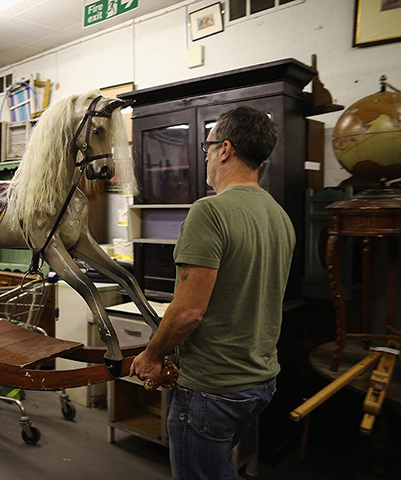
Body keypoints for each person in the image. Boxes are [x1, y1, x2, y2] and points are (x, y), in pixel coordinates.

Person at [130, 106, 295, 479]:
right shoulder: (278, 215)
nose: (204, 156)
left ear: (225, 149)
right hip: (260, 381)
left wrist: (152, 354)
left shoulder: (210, 212)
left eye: (207, 147)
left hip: (213, 388)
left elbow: (188, 313)